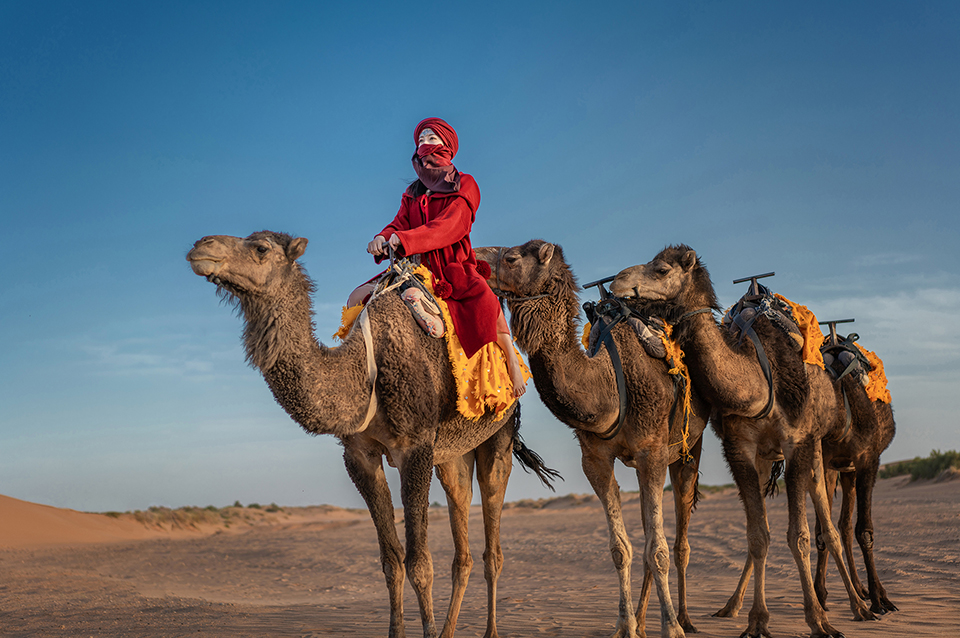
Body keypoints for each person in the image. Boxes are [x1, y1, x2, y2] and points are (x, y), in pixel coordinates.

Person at [348, 117, 527, 398]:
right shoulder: (413, 192)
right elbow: (399, 223)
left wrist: (406, 239)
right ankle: (358, 369)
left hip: (453, 266)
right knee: (357, 297)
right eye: (420, 140)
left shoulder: (465, 184)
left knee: (485, 301)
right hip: (414, 266)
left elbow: (451, 226)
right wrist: (383, 237)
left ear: (447, 145)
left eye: (431, 139)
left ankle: (512, 364)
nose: (424, 145)